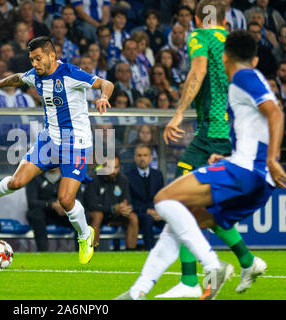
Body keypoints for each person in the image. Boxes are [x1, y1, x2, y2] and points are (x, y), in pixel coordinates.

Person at [116, 29, 285, 301]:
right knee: (182, 219)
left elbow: (276, 114)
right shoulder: (253, 78)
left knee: (164, 199)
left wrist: (272, 159)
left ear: (224, 57)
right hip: (254, 177)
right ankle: (138, 292)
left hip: (247, 172)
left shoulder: (242, 77)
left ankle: (212, 265)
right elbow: (263, 122)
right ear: (254, 59)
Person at [0, 36, 115, 265]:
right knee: (17, 182)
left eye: (38, 58)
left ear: (52, 55)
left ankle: (85, 234)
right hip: (49, 140)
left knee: (65, 199)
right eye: (31, 59)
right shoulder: (35, 75)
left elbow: (106, 83)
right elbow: (16, 78)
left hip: (75, 144)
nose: (34, 63)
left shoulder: (70, 73)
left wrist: (103, 97)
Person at [158, 0, 261, 299]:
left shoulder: (199, 37)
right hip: (227, 131)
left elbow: (197, 71)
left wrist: (178, 112)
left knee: (178, 200)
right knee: (199, 207)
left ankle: (191, 282)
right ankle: (247, 261)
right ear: (225, 17)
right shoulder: (229, 44)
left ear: (197, 17)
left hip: (210, 134)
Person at [84, 155, 139, 250]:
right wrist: (113, 208)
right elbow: (91, 205)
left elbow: (128, 200)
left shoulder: (123, 180)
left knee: (133, 217)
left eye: (116, 167)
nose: (113, 171)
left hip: (116, 217)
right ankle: (92, 251)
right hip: (97, 217)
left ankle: (130, 252)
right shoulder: (93, 180)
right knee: (97, 215)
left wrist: (125, 208)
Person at [26, 167, 77, 252]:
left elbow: (79, 199)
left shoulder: (70, 177)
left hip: (65, 214)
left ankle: (82, 252)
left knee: (82, 214)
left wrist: (66, 206)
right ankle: (42, 252)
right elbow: (31, 202)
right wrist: (52, 205)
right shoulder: (35, 177)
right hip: (45, 214)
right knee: (37, 214)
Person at [125, 144, 164, 250]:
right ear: (134, 158)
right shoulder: (128, 177)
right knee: (147, 219)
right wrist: (148, 211)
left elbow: (161, 197)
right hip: (140, 214)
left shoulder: (158, 175)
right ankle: (150, 251)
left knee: (171, 219)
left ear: (151, 157)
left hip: (156, 212)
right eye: (139, 155)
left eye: (145, 155)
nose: (142, 158)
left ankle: (173, 252)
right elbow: (130, 202)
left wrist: (158, 211)